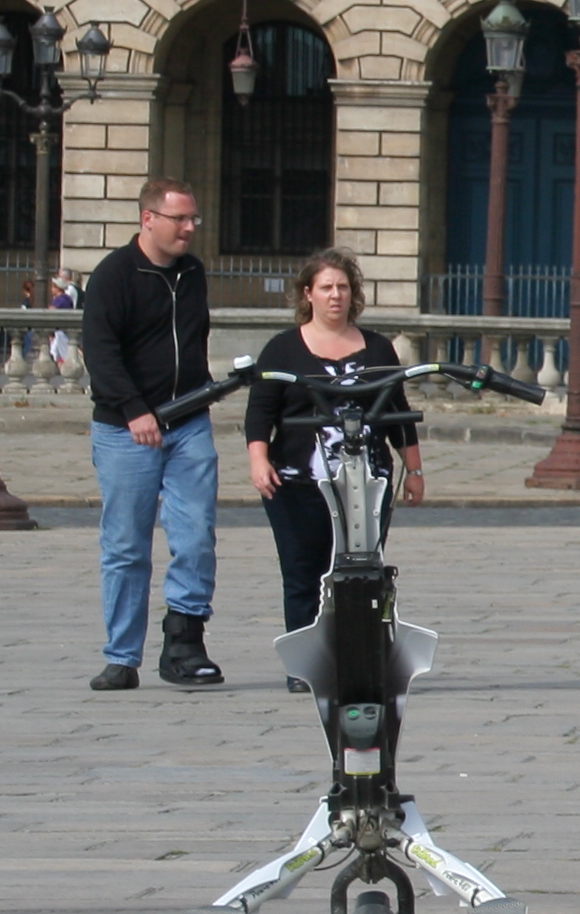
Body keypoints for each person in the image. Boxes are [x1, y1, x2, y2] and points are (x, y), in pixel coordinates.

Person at [246, 250, 423, 689]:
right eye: (326, 287)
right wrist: (258, 459)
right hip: (298, 482)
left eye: (342, 287)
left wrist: (414, 470)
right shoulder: (283, 348)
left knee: (360, 574)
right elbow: (260, 411)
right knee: (303, 571)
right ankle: (304, 664)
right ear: (308, 294)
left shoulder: (377, 347)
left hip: (367, 481)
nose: (335, 295)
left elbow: (397, 411)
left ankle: (356, 659)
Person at [82, 179, 222, 692]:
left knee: (196, 531)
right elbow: (100, 351)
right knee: (126, 545)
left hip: (188, 420)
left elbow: (192, 339)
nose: (189, 229)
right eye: (179, 219)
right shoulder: (114, 275)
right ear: (148, 219)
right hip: (127, 429)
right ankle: (122, 657)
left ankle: (184, 641)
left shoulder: (192, 272)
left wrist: (204, 389)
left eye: (193, 219)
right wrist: (134, 409)